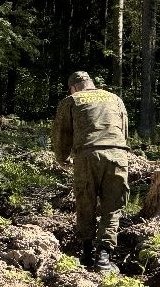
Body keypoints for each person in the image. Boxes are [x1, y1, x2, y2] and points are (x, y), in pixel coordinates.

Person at [51, 70, 129, 275]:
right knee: (112, 206)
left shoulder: (71, 100)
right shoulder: (115, 98)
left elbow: (61, 135)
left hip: (87, 156)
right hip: (117, 154)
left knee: (86, 202)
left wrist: (62, 158)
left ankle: (86, 253)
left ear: (74, 87)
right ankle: (103, 259)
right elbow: (124, 130)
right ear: (92, 83)